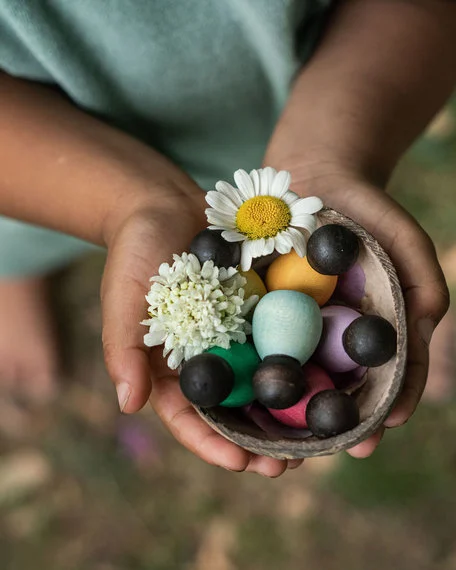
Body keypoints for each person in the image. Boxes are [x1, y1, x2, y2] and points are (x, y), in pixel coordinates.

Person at [0, 0, 453, 477]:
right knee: (35, 220)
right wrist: (128, 206)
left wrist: (327, 154)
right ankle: (18, 269)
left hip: (302, 101)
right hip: (44, 139)